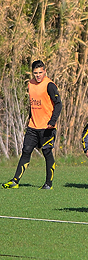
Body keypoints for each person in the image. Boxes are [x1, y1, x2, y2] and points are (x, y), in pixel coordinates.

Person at [3, 60, 61, 190]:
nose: (38, 75)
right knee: (26, 151)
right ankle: (15, 181)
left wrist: (52, 121)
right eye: (35, 73)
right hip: (33, 126)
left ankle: (48, 184)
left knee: (47, 152)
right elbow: (32, 105)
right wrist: (30, 119)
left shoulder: (49, 85)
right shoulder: (30, 84)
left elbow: (58, 104)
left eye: (40, 72)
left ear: (45, 71)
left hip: (47, 127)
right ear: (32, 73)